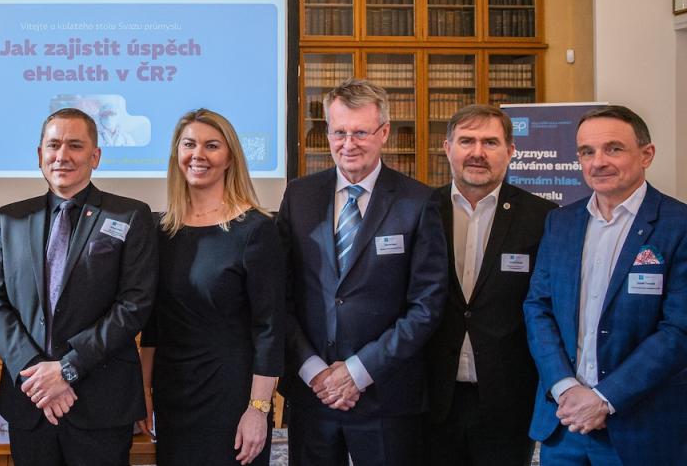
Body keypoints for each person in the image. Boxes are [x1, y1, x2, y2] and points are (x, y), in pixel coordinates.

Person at [275, 78, 447, 466]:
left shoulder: (418, 202)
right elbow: (280, 295)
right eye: (339, 132)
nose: (348, 144)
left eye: (360, 133)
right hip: (314, 394)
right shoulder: (299, 196)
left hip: (386, 395)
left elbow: (427, 306)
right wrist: (314, 371)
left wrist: (357, 371)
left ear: (384, 132)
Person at [0, 107, 157, 466]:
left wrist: (67, 368)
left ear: (95, 157)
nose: (62, 155)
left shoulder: (130, 216)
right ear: (39, 155)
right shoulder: (9, 219)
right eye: (54, 145)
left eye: (75, 146)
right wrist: (35, 372)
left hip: (100, 404)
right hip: (31, 399)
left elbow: (134, 305)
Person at [524, 105, 687, 464]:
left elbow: (679, 329)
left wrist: (604, 398)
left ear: (646, 154)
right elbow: (538, 307)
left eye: (613, 148)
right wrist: (565, 387)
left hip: (641, 428)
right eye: (587, 151)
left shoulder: (678, 225)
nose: (598, 162)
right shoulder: (560, 223)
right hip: (564, 424)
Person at [139, 108, 283, 466]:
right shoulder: (162, 231)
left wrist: (258, 409)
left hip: (232, 397)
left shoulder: (256, 229)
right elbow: (154, 324)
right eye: (189, 144)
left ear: (230, 158)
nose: (198, 154)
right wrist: (143, 390)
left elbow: (270, 328)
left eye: (212, 146)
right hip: (174, 393)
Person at [422, 104, 556, 466]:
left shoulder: (544, 218)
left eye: (490, 142)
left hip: (508, 401)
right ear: (447, 148)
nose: (477, 152)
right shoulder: (420, 209)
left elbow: (548, 307)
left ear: (510, 151)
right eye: (467, 141)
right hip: (430, 397)